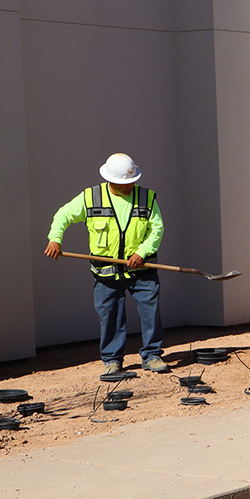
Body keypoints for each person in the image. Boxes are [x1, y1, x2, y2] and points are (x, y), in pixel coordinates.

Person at [44, 153, 170, 375]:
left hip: (142, 269)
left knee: (151, 312)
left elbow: (156, 229)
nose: (130, 185)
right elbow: (63, 215)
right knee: (110, 315)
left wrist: (141, 253)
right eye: (124, 183)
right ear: (111, 180)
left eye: (132, 181)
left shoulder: (146, 198)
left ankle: (152, 355)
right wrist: (55, 238)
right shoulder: (90, 197)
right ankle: (112, 360)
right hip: (106, 273)